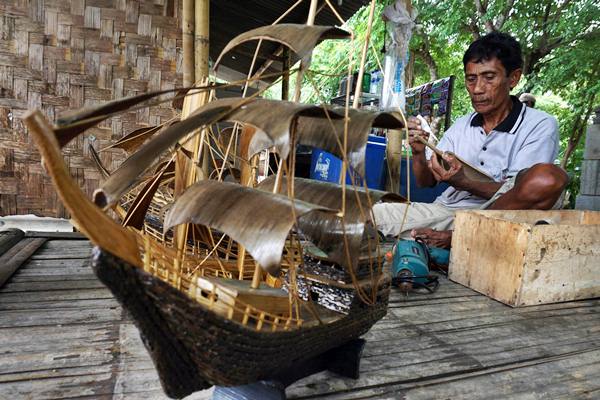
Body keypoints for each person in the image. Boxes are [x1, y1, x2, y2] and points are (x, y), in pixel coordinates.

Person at [373, 32, 568, 249]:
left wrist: (463, 182)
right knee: (366, 214)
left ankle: (458, 238)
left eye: (489, 77)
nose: (477, 89)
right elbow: (426, 182)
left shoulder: (539, 125)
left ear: (513, 78)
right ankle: (450, 237)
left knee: (548, 178)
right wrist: (419, 152)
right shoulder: (462, 126)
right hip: (449, 212)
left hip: (503, 220)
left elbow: (522, 194)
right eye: (471, 79)